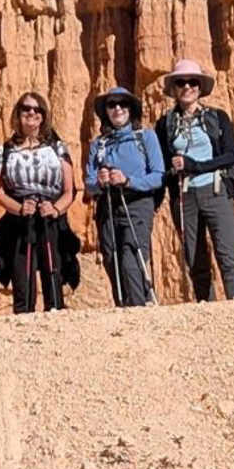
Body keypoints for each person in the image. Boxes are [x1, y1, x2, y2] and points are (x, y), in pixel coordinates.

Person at [157, 59, 234, 301]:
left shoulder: (218, 117)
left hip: (215, 190)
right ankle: (207, 312)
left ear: (199, 87)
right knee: (196, 262)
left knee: (227, 256)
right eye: (181, 82)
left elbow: (229, 156)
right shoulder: (165, 124)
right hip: (185, 196)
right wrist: (172, 173)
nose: (187, 87)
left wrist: (195, 165)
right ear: (174, 88)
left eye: (192, 82)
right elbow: (162, 164)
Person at [0, 91, 77, 313]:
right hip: (19, 219)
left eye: (37, 110)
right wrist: (18, 208)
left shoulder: (57, 147)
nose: (31, 113)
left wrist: (56, 209)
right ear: (18, 114)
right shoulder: (5, 150)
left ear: (44, 115)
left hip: (50, 217)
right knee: (22, 277)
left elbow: (69, 190)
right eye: (26, 109)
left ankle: (55, 327)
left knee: (53, 273)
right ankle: (23, 330)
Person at [83, 87, 162, 307]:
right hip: (107, 206)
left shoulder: (145, 137)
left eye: (123, 104)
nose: (118, 108)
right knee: (112, 258)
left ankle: (138, 308)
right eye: (112, 105)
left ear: (131, 109)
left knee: (131, 257)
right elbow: (88, 184)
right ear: (105, 111)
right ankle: (125, 306)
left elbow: (157, 176)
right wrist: (100, 181)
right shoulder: (97, 144)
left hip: (137, 203)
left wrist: (128, 181)